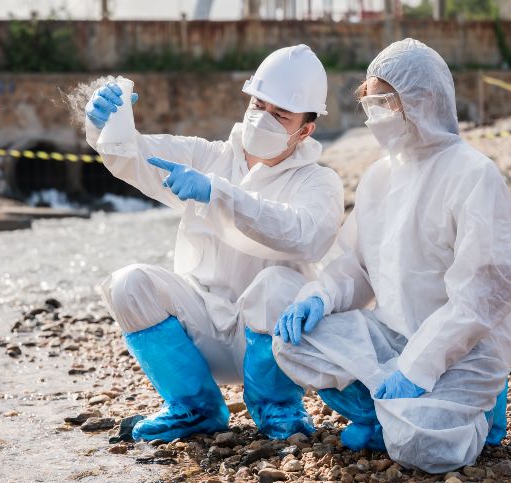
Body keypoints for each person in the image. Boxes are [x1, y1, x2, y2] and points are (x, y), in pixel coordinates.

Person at [271, 38, 511, 474]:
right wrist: (320, 297)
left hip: (465, 351)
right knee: (292, 342)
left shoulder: (473, 174)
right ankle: (382, 412)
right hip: (395, 334)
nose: (375, 116)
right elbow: (356, 263)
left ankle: (478, 414)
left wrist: (417, 367)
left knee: (419, 448)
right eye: (370, 103)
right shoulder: (379, 176)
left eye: (384, 101)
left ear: (421, 99)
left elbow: (483, 296)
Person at [84, 45, 344, 442]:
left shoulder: (318, 182)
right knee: (128, 284)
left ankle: (278, 409)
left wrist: (219, 194)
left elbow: (305, 236)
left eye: (280, 114)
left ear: (305, 129)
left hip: (271, 343)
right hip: (201, 327)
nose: (263, 118)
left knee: (278, 285)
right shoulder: (207, 157)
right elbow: (135, 156)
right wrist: (107, 126)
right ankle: (194, 409)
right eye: (259, 104)